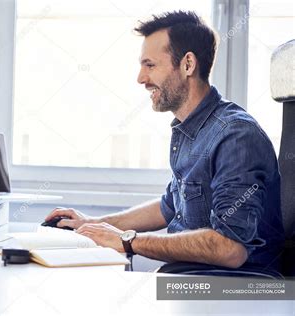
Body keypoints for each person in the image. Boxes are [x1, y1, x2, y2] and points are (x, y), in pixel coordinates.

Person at [44, 11, 285, 271]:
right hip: (192, 278)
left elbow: (230, 248)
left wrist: (128, 241)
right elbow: (169, 206)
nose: (141, 78)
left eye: (150, 65)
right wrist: (93, 224)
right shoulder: (189, 130)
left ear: (188, 65)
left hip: (239, 288)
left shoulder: (236, 136)